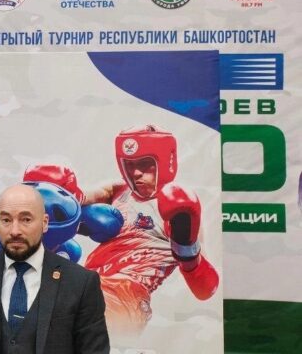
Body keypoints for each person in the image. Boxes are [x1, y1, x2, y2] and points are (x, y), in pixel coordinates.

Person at [25, 124, 219, 336]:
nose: (136, 173)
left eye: (145, 164)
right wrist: (59, 192)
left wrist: (186, 249)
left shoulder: (181, 211)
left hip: (127, 294)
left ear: (166, 162)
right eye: (130, 165)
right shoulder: (118, 191)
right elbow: (83, 197)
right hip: (89, 281)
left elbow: (205, 289)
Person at [0, 184, 110, 354]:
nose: (15, 231)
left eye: (26, 220)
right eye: (6, 220)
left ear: (44, 223)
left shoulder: (81, 282)